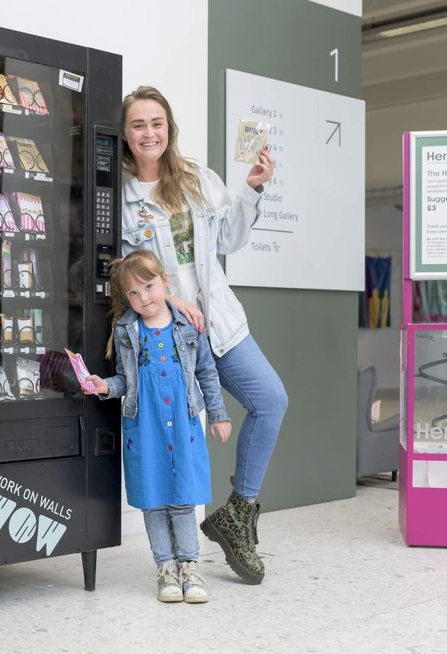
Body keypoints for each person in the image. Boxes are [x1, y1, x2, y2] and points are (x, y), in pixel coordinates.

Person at [119, 85, 287, 585]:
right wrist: (169, 300)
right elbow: (125, 272)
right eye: (138, 125)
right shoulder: (123, 199)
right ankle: (174, 554)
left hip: (220, 323)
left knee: (271, 400)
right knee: (176, 445)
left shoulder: (195, 179)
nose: (149, 133)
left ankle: (238, 513)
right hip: (169, 335)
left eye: (156, 123)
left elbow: (231, 238)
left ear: (169, 128)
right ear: (126, 135)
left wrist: (253, 187)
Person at [83, 250, 232, 603]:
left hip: (183, 423)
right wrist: (105, 387)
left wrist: (219, 413)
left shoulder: (187, 324)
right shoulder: (126, 331)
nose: (143, 298)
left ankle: (190, 568)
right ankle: (165, 568)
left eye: (148, 287)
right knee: (153, 501)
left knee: (183, 499)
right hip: (144, 425)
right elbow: (124, 379)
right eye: (133, 293)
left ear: (164, 281)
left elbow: (206, 373)